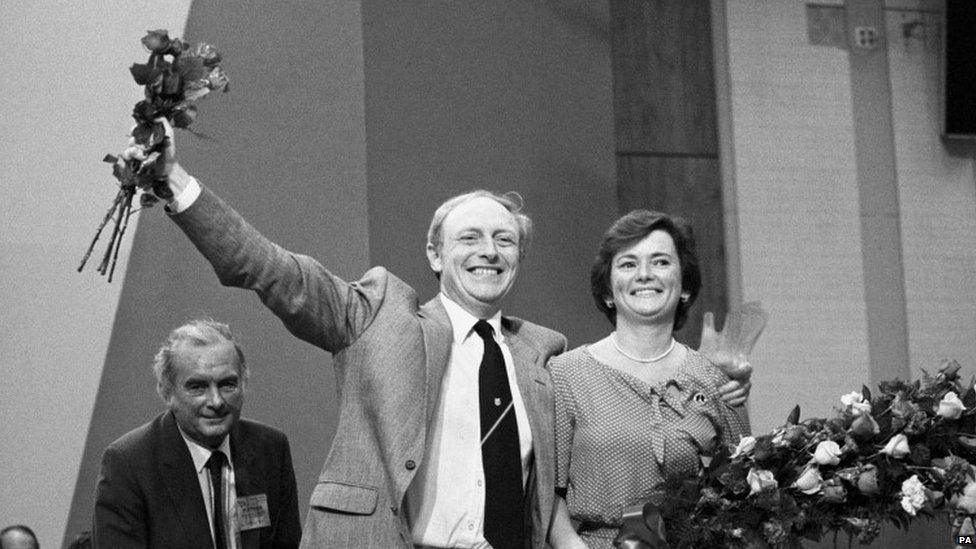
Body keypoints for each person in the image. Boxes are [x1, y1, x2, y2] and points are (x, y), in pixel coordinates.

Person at [122, 121, 749, 548]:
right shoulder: (376, 316)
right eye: (469, 238)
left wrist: (721, 388)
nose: (489, 251)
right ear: (434, 254)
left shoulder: (545, 354)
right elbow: (267, 269)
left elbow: (622, 441)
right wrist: (177, 185)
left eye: (505, 240)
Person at [547, 210, 752, 549]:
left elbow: (740, 494)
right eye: (628, 264)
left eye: (660, 262)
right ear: (609, 292)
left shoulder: (717, 380)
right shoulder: (566, 374)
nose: (644, 274)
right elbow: (547, 491)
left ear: (684, 286)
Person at [92, 319, 302, 549]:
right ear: (167, 391)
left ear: (244, 384)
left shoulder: (270, 449)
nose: (216, 401)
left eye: (227, 384)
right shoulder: (129, 463)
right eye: (197, 387)